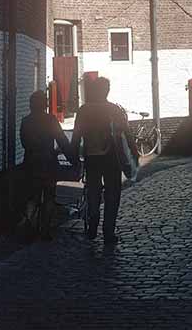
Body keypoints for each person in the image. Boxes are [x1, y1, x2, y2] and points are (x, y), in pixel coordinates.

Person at [71, 77, 133, 243]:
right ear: (107, 90)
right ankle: (108, 232)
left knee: (93, 192)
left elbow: (76, 136)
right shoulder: (114, 110)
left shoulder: (83, 110)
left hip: (92, 157)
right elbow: (126, 134)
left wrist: (74, 158)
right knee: (113, 194)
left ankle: (92, 223)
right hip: (112, 158)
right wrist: (132, 156)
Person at [19, 90, 73, 240]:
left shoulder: (26, 121)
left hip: (30, 162)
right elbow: (62, 140)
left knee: (32, 197)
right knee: (49, 196)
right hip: (48, 163)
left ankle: (29, 225)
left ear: (31, 105)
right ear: (45, 104)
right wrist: (72, 159)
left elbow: (24, 143)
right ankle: (46, 230)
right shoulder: (50, 120)